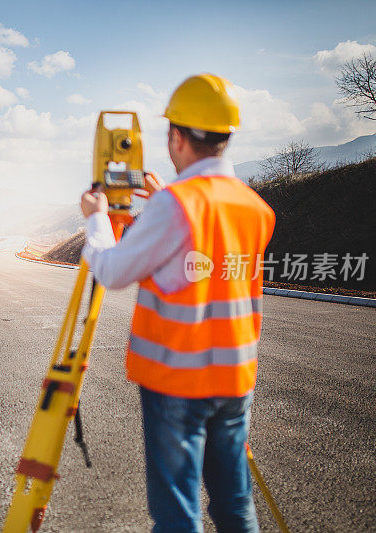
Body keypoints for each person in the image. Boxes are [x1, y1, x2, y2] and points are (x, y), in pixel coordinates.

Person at [80, 74, 275, 532]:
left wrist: (97, 220)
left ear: (176, 137)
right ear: (225, 138)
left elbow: (112, 270)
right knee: (234, 505)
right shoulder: (254, 206)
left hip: (178, 382)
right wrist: (165, 194)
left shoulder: (176, 205)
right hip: (233, 380)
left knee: (177, 513)